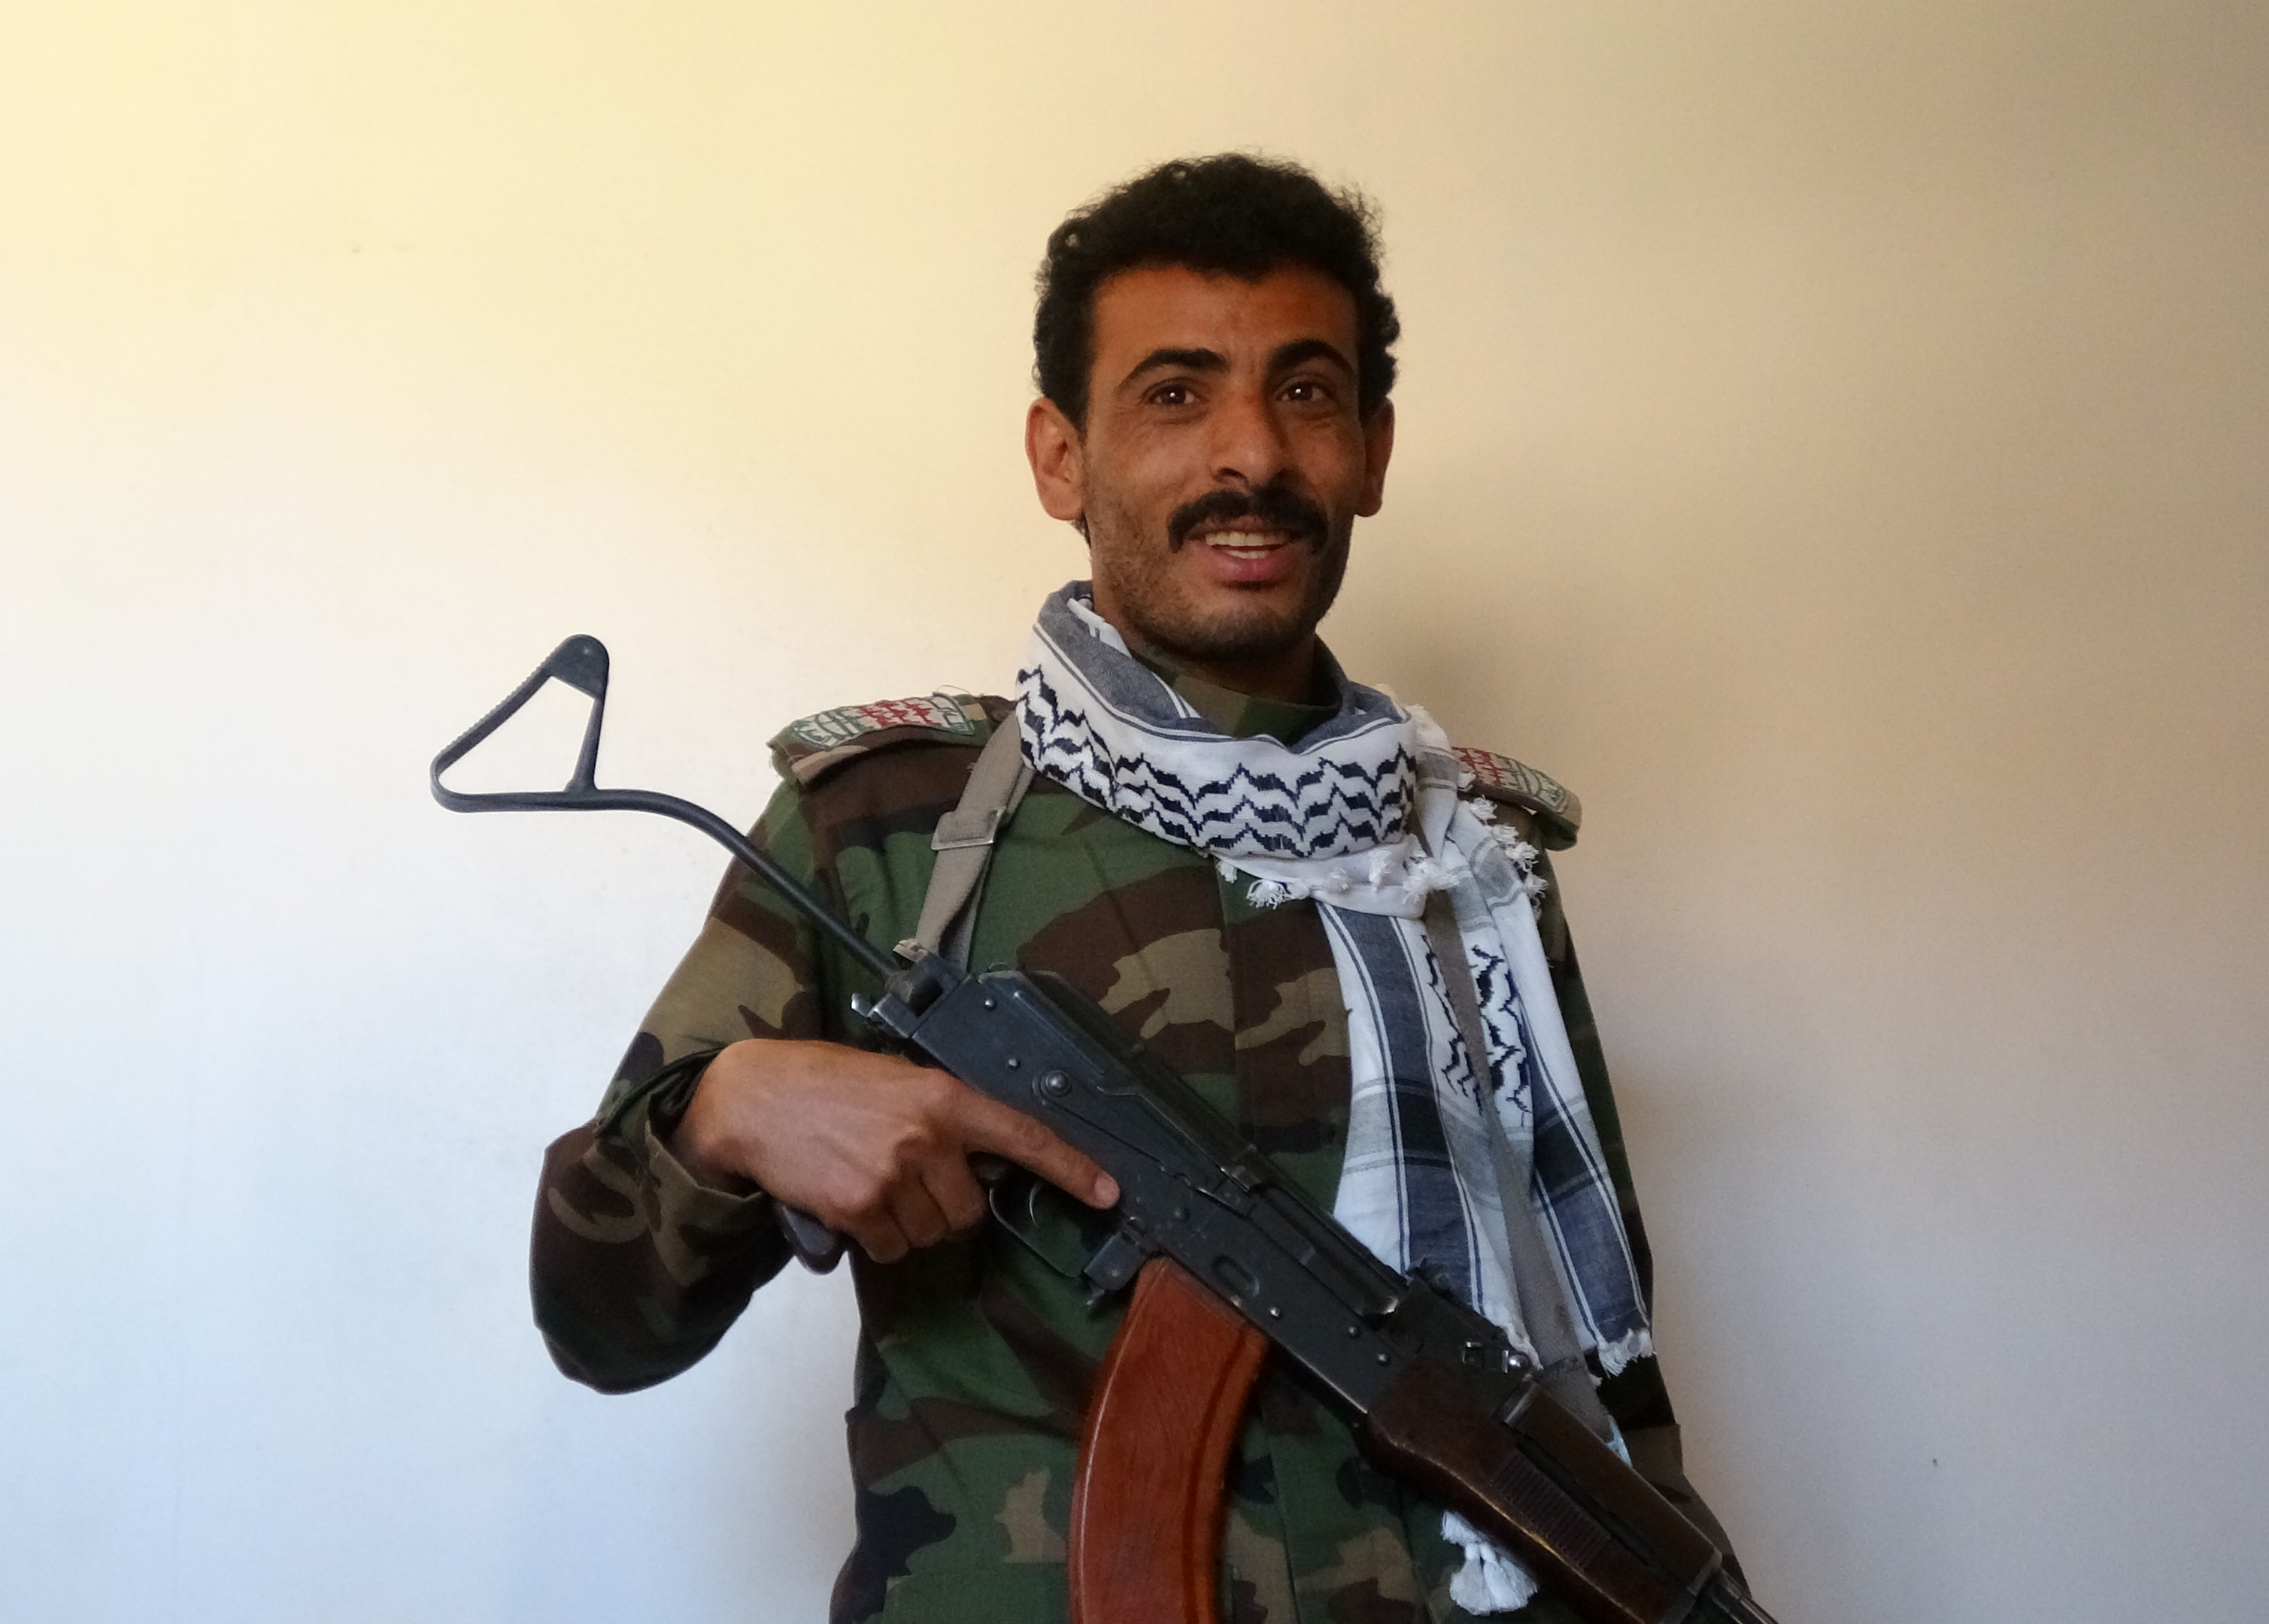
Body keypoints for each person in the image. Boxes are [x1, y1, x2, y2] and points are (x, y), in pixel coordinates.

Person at [530, 153, 1740, 1623]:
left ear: (1372, 450)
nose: (1253, 455)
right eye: (1175, 393)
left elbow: (1607, 1350)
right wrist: (721, 1121)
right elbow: (597, 1322)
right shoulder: (893, 833)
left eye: (1306, 392)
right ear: (1060, 457)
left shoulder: (1468, 871)